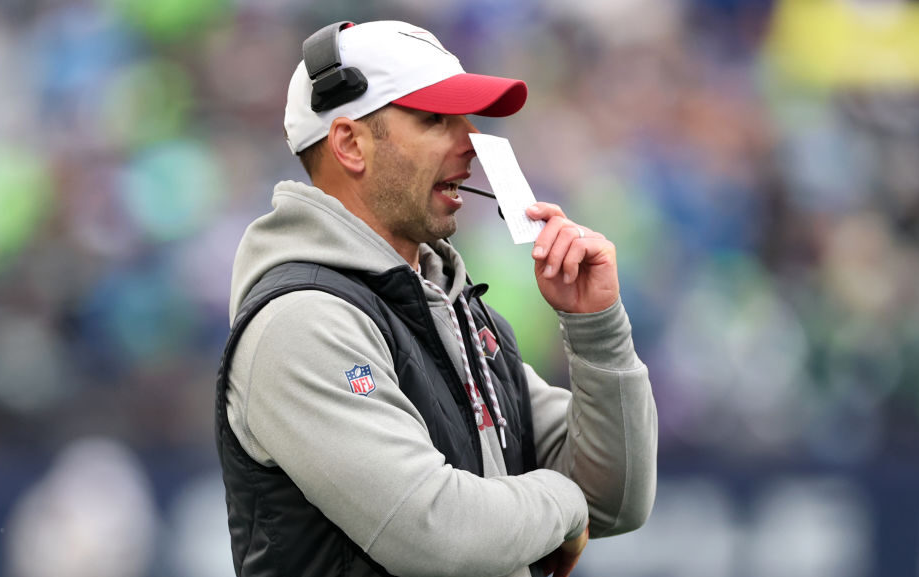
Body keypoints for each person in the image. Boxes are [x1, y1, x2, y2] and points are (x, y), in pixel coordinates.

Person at [215, 20, 657, 577]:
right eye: (435, 119)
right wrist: (562, 505)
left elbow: (615, 500)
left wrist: (597, 329)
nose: (470, 142)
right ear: (350, 143)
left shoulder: (456, 312)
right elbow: (437, 533)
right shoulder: (302, 322)